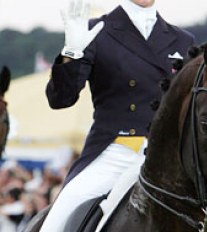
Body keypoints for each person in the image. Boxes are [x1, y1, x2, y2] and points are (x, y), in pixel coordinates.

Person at [40, 0, 195, 231]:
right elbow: (61, 99)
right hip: (114, 153)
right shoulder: (97, 31)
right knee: (58, 218)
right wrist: (71, 53)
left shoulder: (183, 41)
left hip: (167, 158)